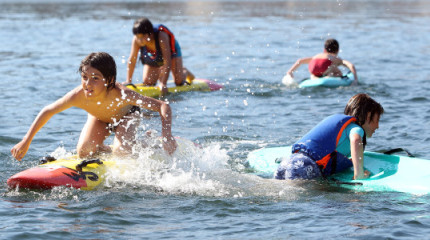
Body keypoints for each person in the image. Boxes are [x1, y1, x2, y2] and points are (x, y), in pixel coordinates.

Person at [11, 52, 177, 161]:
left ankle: (148, 141)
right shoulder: (78, 95)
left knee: (123, 153)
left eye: (95, 78)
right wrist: (26, 141)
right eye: (84, 77)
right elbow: (48, 111)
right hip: (99, 117)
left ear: (110, 80)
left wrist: (167, 135)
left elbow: (163, 106)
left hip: (127, 116)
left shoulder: (122, 94)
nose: (88, 84)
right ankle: (107, 150)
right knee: (84, 152)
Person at [275, 93, 384, 180]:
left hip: (291, 161)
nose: (378, 126)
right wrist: (359, 174)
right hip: (306, 166)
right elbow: (356, 140)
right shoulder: (356, 128)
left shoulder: (339, 123)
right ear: (368, 115)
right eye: (377, 120)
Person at [125, 17, 194, 95]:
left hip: (172, 52)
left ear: (149, 33)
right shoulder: (137, 40)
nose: (139, 40)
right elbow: (132, 60)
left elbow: (167, 61)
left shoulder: (162, 36)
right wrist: (128, 80)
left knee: (178, 81)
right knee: (148, 81)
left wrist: (163, 83)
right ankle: (161, 71)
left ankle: (184, 71)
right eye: (137, 37)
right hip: (155, 55)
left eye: (142, 37)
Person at [285, 38, 358, 85]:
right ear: (337, 50)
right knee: (338, 71)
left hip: (312, 67)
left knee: (318, 72)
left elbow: (300, 61)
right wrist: (355, 80)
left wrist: (290, 72)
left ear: (324, 50)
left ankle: (314, 77)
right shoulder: (334, 57)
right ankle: (328, 76)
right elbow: (351, 65)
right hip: (325, 65)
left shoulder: (318, 55)